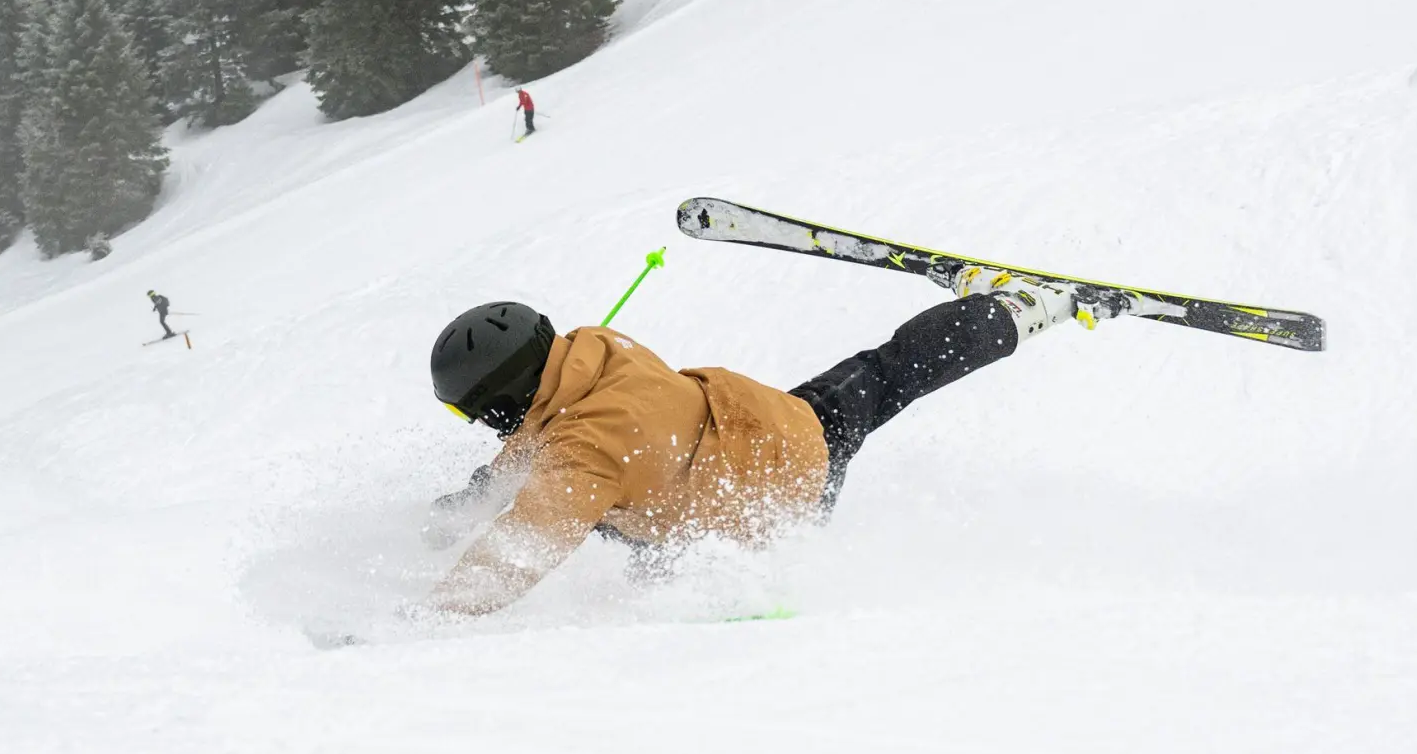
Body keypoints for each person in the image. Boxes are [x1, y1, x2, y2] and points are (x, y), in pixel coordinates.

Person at [422, 261, 1136, 616]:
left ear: (506, 398)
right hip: (770, 424)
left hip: (778, 490)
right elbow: (545, 438)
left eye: (478, 415)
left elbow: (517, 551)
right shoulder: (588, 350)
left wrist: (420, 620)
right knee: (888, 370)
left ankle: (1032, 309)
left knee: (638, 545)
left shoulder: (586, 454)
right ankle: (998, 308)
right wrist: (469, 500)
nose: (489, 430)